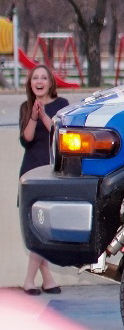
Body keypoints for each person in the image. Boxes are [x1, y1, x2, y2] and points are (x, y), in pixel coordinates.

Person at [18, 65, 69, 296]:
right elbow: (27, 139)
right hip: (30, 170)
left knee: (44, 226)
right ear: (30, 83)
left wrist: (45, 117)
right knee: (36, 226)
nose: (39, 81)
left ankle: (37, 280)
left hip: (51, 170)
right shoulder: (25, 107)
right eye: (35, 78)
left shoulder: (62, 105)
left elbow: (58, 135)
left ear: (50, 82)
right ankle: (38, 280)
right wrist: (33, 116)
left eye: (43, 78)